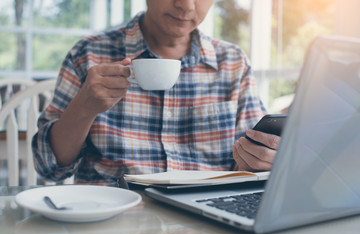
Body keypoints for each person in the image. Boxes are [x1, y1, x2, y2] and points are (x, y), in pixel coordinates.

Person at [32, 0, 280, 186]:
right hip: (112, 218)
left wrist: (261, 160)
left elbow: (249, 164)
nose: (185, 5)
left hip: (205, 219)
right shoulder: (89, 54)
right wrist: (84, 108)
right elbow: (49, 168)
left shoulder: (233, 63)